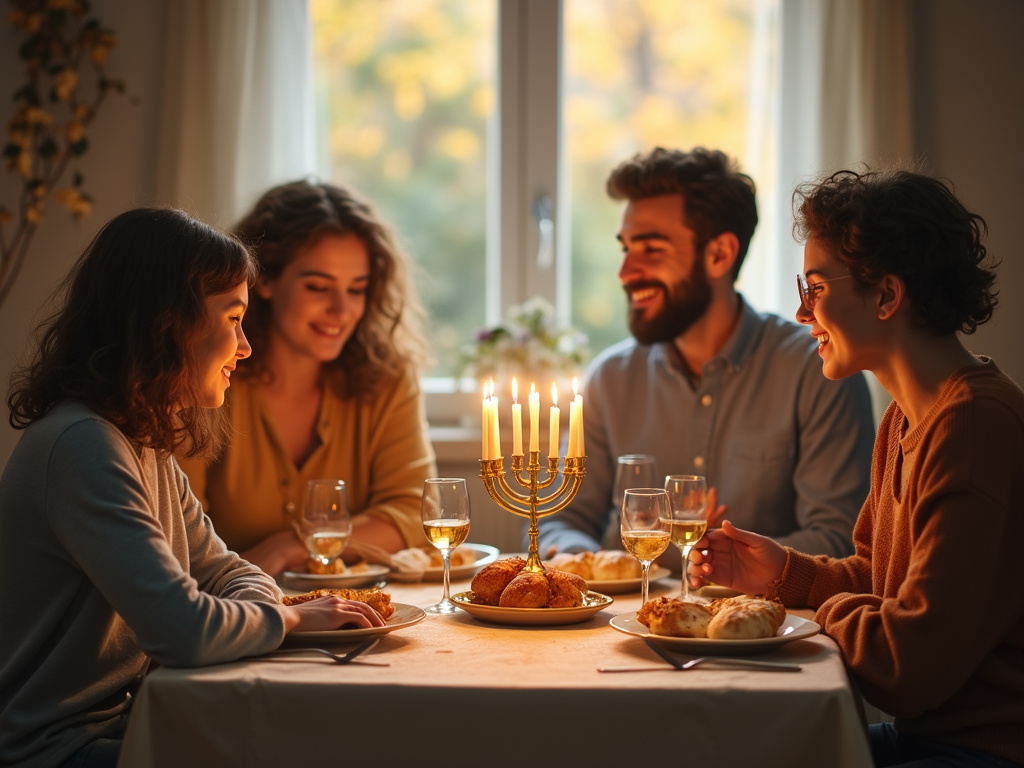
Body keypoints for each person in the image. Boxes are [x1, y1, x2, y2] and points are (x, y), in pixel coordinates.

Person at [0, 207, 385, 768]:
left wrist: (261, 605)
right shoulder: (83, 445)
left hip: (129, 721)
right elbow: (184, 630)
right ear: (168, 323)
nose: (245, 346)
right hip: (57, 749)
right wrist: (295, 617)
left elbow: (227, 571)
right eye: (232, 318)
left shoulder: (142, 441)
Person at [690, 168, 1023, 768]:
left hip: (982, 751)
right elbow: (879, 581)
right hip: (929, 738)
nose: (800, 312)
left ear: (888, 295)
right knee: (720, 751)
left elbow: (906, 667)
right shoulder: (904, 418)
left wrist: (821, 611)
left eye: (815, 288)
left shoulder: (972, 427)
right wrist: (781, 574)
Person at [537, 147, 876, 565]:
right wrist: (588, 560)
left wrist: (725, 556)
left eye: (651, 249)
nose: (625, 272)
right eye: (626, 249)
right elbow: (559, 519)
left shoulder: (818, 369)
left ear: (719, 254)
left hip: (758, 624)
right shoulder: (609, 378)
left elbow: (838, 541)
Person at [177, 180, 437, 578]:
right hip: (233, 613)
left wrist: (292, 545)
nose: (341, 310)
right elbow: (181, 531)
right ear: (262, 279)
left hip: (361, 610)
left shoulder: (388, 376)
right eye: (318, 286)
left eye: (357, 289)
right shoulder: (207, 376)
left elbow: (417, 512)